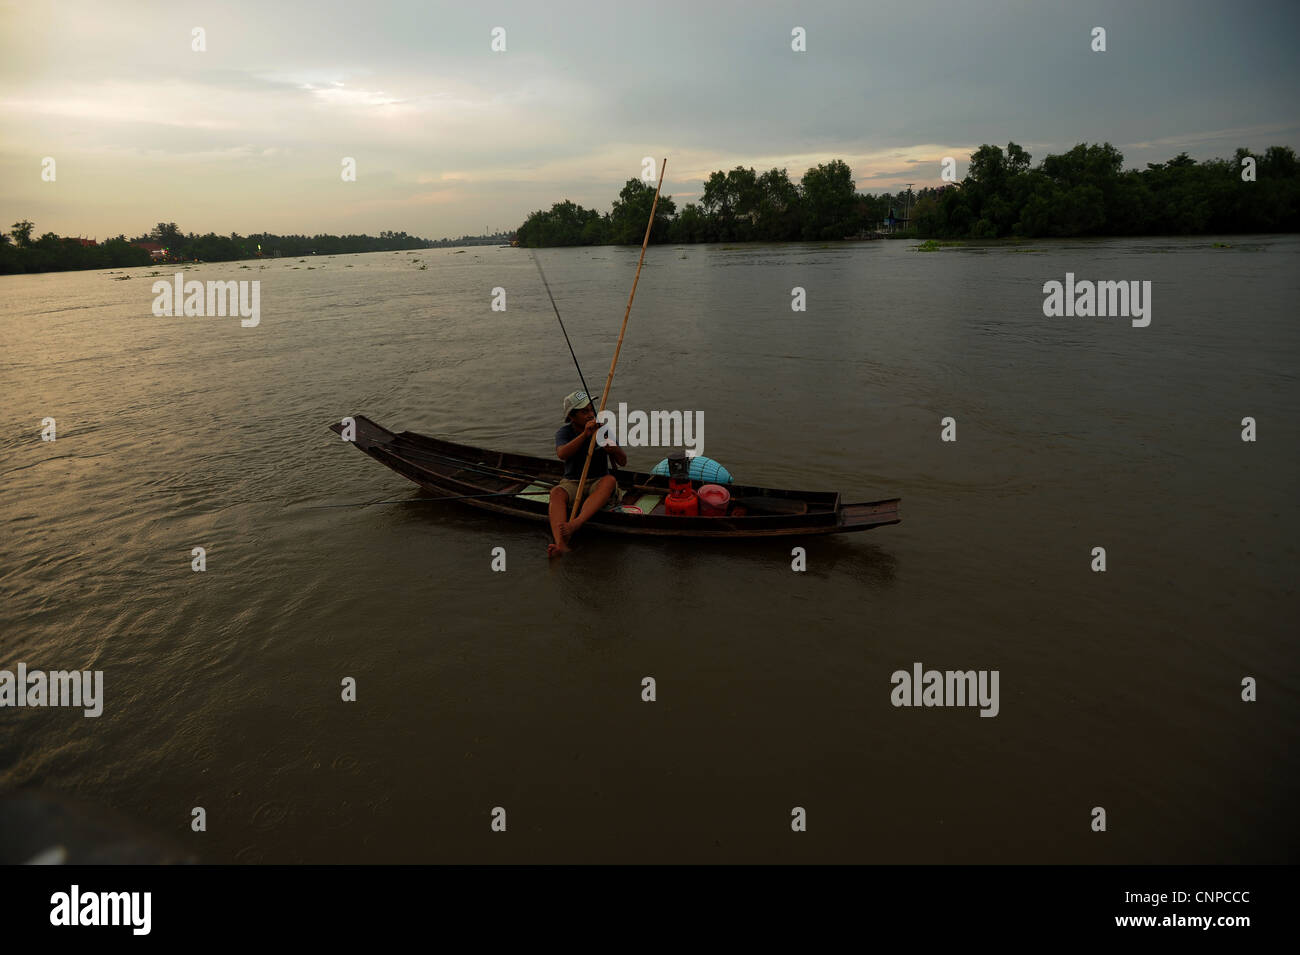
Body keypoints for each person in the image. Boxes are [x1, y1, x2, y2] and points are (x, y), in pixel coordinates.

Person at [548, 390, 627, 557]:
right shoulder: (565, 432)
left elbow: (622, 461)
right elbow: (562, 454)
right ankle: (560, 544)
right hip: (573, 482)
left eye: (591, 410)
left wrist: (613, 449)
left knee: (610, 481)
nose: (591, 414)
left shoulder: (603, 430)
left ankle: (576, 523)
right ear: (572, 416)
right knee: (556, 493)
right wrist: (585, 435)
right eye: (584, 412)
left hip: (598, 481)